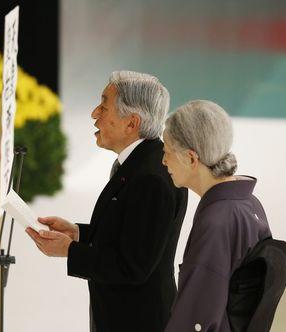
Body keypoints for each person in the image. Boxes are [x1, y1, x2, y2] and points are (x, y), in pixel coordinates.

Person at [26, 71, 188, 332]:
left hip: (138, 321)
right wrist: (78, 233)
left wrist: (69, 250)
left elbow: (132, 266)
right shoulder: (143, 162)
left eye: (104, 106)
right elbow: (129, 234)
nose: (94, 113)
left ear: (131, 123)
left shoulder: (151, 178)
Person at [162, 100, 272, 332]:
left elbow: (196, 316)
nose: (163, 161)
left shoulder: (216, 221)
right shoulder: (249, 203)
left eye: (167, 152)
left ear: (191, 158)